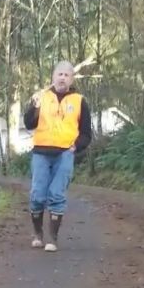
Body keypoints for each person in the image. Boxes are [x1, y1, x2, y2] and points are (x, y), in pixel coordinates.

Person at [24, 60, 93, 252]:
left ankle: (52, 239)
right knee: (38, 194)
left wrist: (75, 147)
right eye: (59, 74)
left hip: (64, 153)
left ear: (71, 79)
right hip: (41, 152)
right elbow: (29, 123)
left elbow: (86, 132)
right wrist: (34, 107)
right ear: (53, 77)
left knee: (57, 194)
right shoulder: (41, 97)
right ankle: (38, 234)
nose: (62, 78)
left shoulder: (79, 101)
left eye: (66, 75)